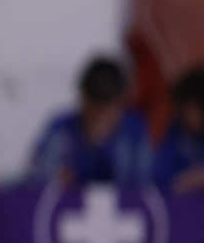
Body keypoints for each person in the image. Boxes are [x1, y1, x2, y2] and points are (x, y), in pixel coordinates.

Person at [25, 56, 152, 186]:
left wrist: (102, 145)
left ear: (121, 102)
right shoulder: (62, 129)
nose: (100, 112)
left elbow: (143, 182)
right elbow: (36, 175)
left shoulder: (134, 132)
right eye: (94, 102)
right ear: (83, 96)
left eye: (107, 104)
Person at [153, 67, 204, 195]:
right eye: (183, 106)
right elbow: (161, 178)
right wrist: (185, 181)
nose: (184, 112)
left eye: (191, 108)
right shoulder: (175, 131)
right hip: (182, 203)